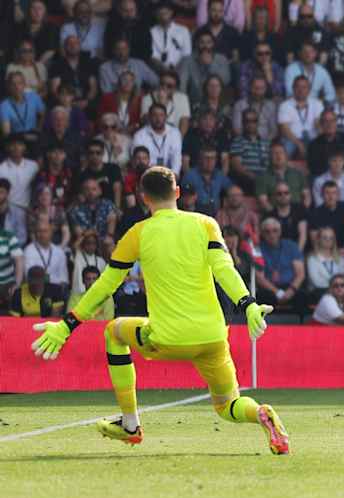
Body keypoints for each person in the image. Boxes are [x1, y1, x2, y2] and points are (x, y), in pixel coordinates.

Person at [31, 166, 289, 453]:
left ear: (144, 198)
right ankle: (260, 414)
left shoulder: (138, 233)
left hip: (166, 338)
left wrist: (67, 324)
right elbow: (224, 269)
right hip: (212, 338)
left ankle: (130, 424)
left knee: (113, 332)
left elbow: (106, 283)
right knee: (229, 405)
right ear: (177, 193)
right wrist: (248, 304)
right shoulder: (206, 224)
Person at [177, 30, 231, 105]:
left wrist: (209, 65)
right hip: (194, 102)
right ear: (196, 44)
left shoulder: (222, 59)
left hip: (216, 103)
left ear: (213, 44)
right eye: (202, 42)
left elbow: (225, 81)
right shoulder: (187, 61)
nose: (205, 46)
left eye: (209, 42)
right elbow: (181, 86)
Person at [278, 76, 325, 159]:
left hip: (312, 138)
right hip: (292, 138)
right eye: (297, 87)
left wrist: (322, 137)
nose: (301, 90)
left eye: (304, 87)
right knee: (284, 150)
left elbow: (318, 124)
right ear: (293, 88)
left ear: (309, 89)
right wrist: (298, 143)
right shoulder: (285, 105)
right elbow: (284, 129)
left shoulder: (317, 104)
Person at [307, 109, 344, 178]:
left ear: (336, 122)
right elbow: (314, 169)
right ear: (321, 124)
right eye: (326, 121)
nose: (329, 124)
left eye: (332, 121)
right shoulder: (314, 145)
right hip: (324, 181)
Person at [132, 103, 183, 174]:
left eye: (161, 115)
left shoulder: (175, 133)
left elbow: (176, 159)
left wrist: (174, 175)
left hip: (169, 175)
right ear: (149, 117)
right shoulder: (139, 135)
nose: (158, 118)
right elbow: (138, 161)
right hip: (146, 174)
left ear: (166, 117)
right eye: (154, 115)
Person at [181, 146, 233, 215]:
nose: (209, 161)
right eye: (206, 158)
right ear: (200, 159)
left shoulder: (219, 175)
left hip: (216, 214)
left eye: (212, 158)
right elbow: (184, 201)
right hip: (197, 214)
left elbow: (233, 190)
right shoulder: (190, 176)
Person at [257, 143, 309, 210]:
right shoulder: (262, 177)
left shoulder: (298, 174)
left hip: (298, 213)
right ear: (270, 157)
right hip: (275, 215)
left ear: (286, 156)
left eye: (281, 152)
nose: (278, 156)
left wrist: (302, 212)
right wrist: (277, 216)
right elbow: (263, 202)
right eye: (275, 153)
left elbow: (307, 196)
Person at [230, 109, 271, 193]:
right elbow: (237, 166)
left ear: (258, 122)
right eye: (247, 121)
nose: (250, 124)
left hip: (265, 178)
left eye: (254, 121)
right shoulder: (238, 141)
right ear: (243, 123)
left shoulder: (266, 142)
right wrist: (254, 177)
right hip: (248, 179)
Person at [308, 181, 344, 250]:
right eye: (327, 193)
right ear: (321, 195)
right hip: (325, 252)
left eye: (334, 193)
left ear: (338, 195)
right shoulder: (315, 213)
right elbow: (314, 240)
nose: (331, 196)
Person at [261, 182, 308, 253]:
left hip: (297, 249)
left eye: (286, 193)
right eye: (279, 194)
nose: (283, 195)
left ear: (290, 194)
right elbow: (268, 239)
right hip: (277, 252)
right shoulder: (269, 215)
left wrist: (297, 254)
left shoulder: (299, 209)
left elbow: (303, 236)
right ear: (274, 196)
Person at [306, 226, 344, 301]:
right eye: (325, 237)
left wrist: (338, 287)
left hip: (339, 291)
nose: (328, 240)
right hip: (320, 293)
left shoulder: (340, 258)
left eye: (331, 238)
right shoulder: (312, 259)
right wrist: (336, 287)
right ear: (319, 239)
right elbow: (317, 282)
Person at [24, 220, 69, 288]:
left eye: (45, 231)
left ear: (51, 232)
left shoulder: (59, 252)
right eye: (39, 231)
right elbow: (30, 276)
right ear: (35, 233)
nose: (42, 234)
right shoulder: (28, 251)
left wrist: (47, 279)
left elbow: (64, 279)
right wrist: (52, 279)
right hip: (35, 290)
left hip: (56, 291)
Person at [0, 135, 40, 212]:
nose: (16, 147)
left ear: (24, 147)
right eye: (13, 145)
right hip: (7, 210)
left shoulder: (33, 166)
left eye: (20, 144)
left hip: (28, 210)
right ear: (7, 147)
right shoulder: (1, 168)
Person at [149, 2, 192, 71]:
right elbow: (153, 56)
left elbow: (187, 54)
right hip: (159, 69)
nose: (163, 17)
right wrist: (164, 68)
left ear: (171, 12)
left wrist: (177, 69)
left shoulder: (183, 31)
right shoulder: (151, 32)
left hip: (180, 69)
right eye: (160, 14)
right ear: (156, 14)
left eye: (165, 13)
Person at [0, 178, 28, 246]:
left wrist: (9, 248)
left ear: (7, 194)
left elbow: (22, 237)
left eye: (1, 192)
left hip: (10, 250)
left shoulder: (17, 212)